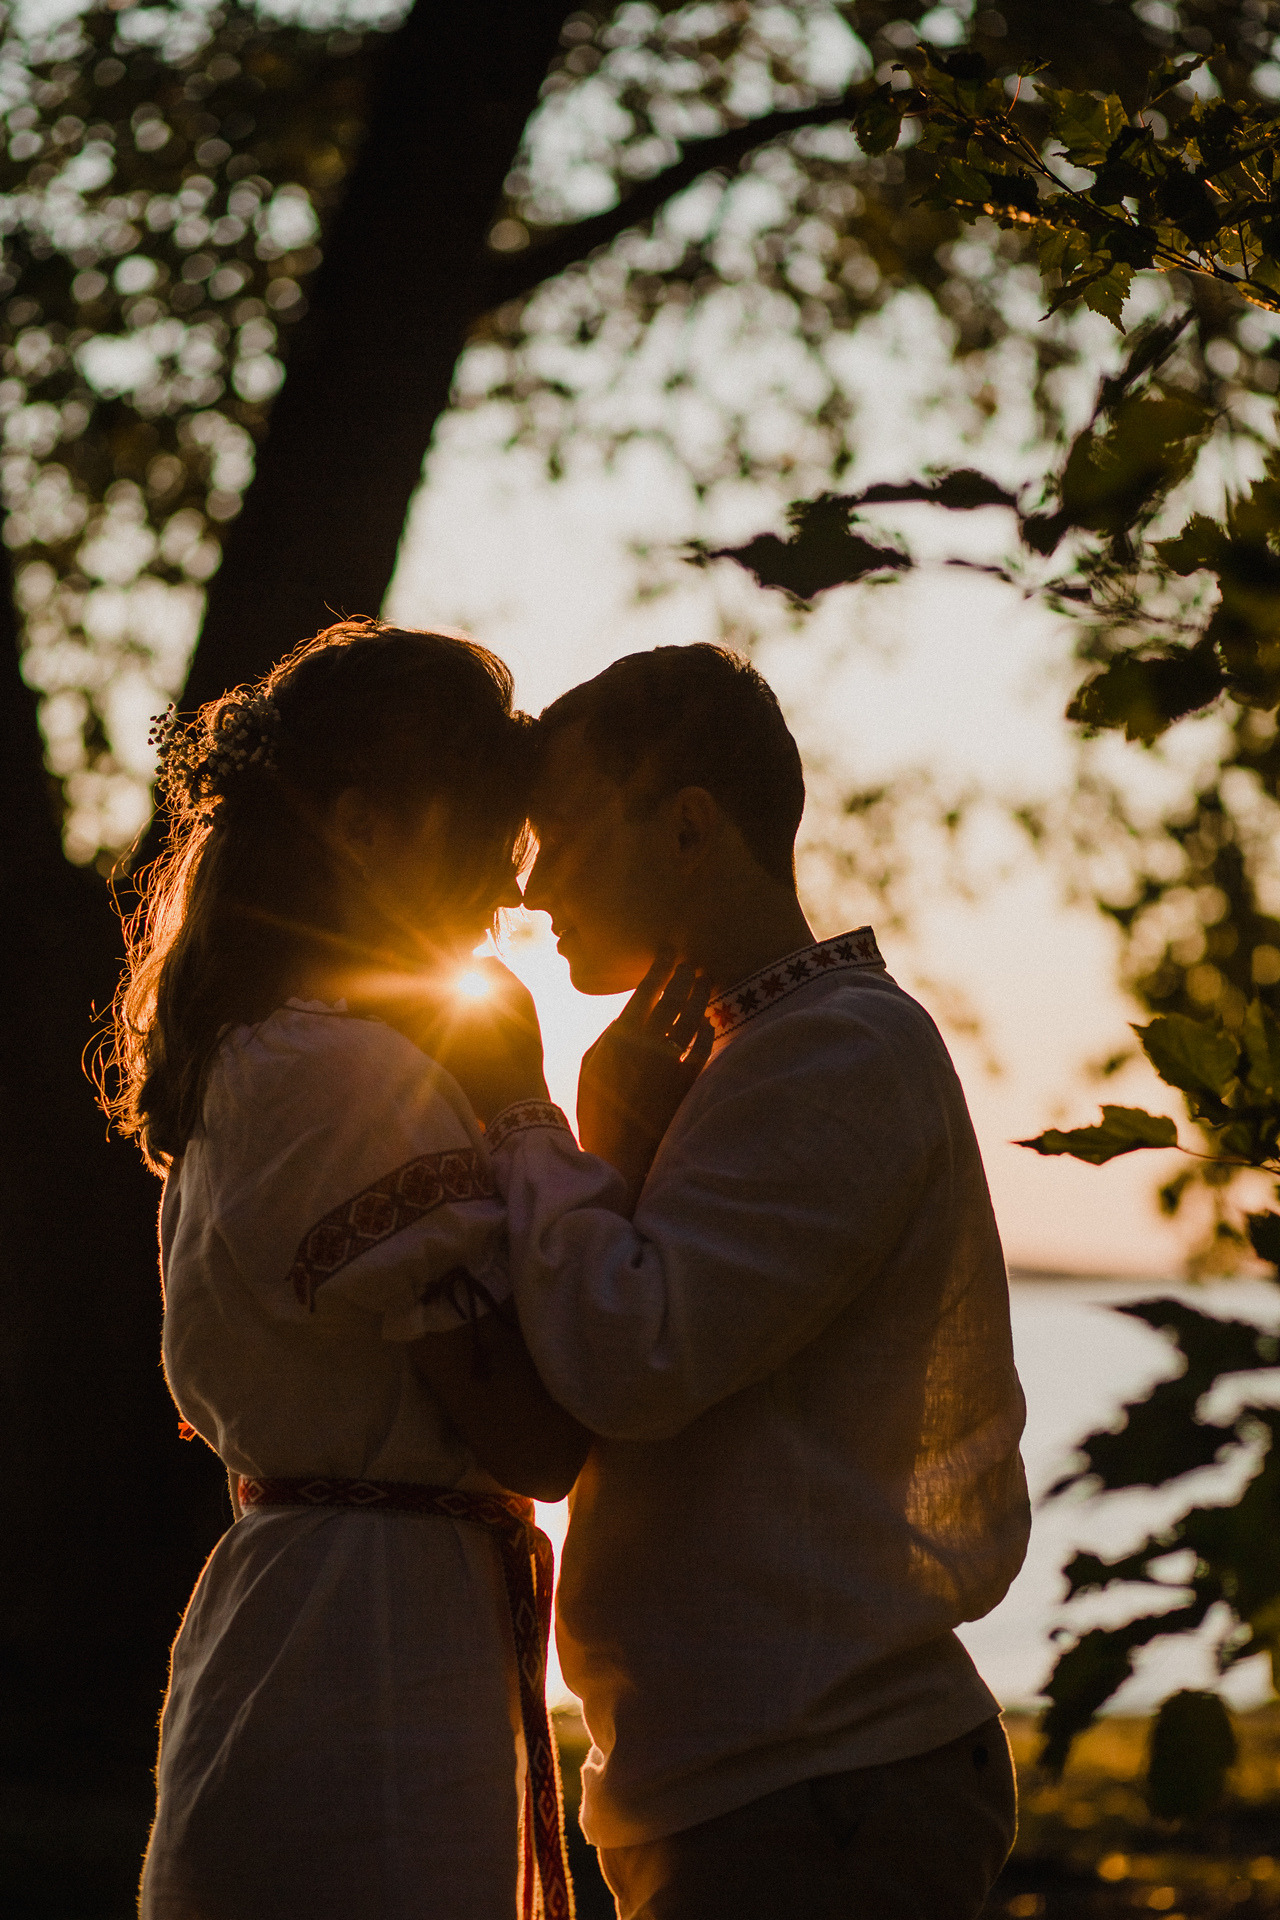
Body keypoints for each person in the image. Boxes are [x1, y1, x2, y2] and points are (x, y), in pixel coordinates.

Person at [481, 643, 1033, 1920]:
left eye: (556, 835)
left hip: (817, 1791)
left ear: (686, 828)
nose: (530, 886)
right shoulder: (735, 1061)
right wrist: (605, 1135)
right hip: (753, 1781)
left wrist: (524, 1120)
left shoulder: (835, 1054)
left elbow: (632, 1358)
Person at [105, 620, 610, 1920]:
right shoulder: (350, 1080)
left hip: (306, 1616)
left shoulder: (258, 1056)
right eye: (483, 834)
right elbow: (536, 1440)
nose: (507, 891)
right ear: (364, 827)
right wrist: (523, 1111)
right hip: (374, 1655)